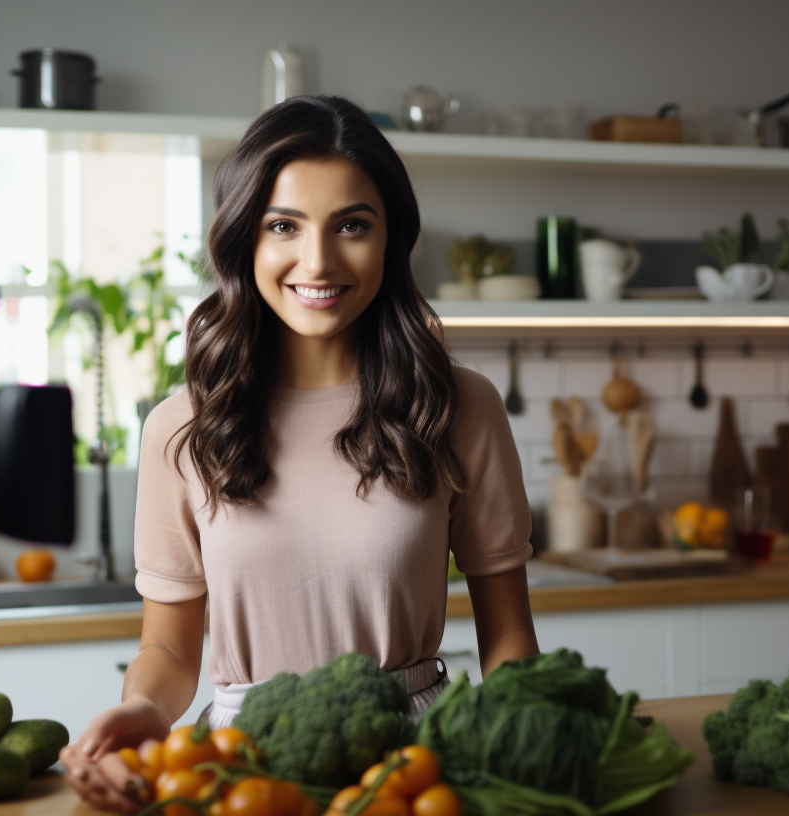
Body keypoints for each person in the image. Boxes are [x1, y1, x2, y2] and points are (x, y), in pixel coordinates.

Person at [60, 95, 538, 812]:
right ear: (244, 240)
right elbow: (169, 650)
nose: (318, 261)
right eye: (284, 225)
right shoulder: (181, 428)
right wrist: (146, 711)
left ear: (390, 240)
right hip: (235, 766)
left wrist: (522, 740)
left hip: (415, 768)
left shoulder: (458, 406)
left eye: (352, 226)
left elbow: (508, 635)